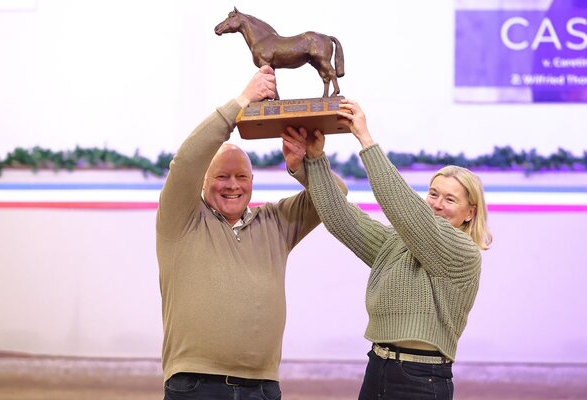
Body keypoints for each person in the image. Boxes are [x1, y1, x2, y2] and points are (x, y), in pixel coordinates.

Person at [156, 65, 346, 400]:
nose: (233, 185)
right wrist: (242, 102)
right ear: (203, 182)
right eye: (222, 176)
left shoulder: (275, 222)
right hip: (195, 385)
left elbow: (335, 196)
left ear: (252, 182)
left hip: (262, 387)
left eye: (241, 177)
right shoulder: (181, 220)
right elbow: (185, 162)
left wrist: (308, 163)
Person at [292, 98, 492, 400]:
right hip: (378, 366)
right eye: (433, 194)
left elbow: (402, 206)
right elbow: (340, 219)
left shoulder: (462, 252)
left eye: (450, 199)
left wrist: (365, 138)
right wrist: (315, 159)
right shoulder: (400, 243)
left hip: (421, 379)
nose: (437, 204)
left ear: (470, 213)